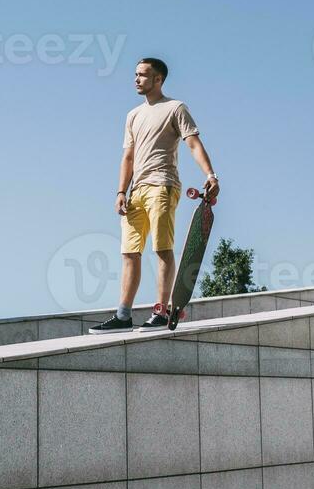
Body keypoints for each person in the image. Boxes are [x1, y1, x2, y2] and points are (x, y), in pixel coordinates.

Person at [90, 57, 219, 332]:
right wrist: (121, 191)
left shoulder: (175, 108)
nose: (136, 79)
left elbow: (193, 144)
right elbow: (128, 157)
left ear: (158, 79)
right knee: (129, 253)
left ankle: (160, 311)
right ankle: (123, 315)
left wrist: (210, 175)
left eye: (143, 75)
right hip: (135, 192)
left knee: (161, 249)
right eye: (135, 74)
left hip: (163, 185)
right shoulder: (133, 115)